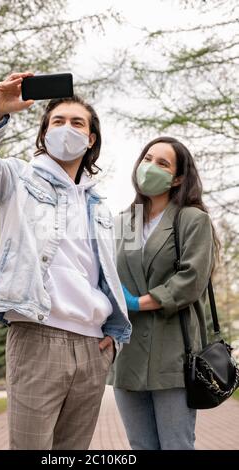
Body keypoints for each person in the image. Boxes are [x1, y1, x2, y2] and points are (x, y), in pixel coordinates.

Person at [0, 71, 131, 450]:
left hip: (92, 348)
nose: (66, 128)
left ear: (91, 139)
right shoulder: (17, 178)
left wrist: (113, 340)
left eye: (76, 122)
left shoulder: (99, 204)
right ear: (44, 133)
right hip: (38, 337)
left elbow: (105, 276)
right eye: (57, 121)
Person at [109, 136, 219, 450]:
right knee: (141, 445)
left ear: (178, 178)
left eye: (162, 163)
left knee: (176, 445)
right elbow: (117, 275)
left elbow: (191, 279)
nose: (150, 167)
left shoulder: (191, 219)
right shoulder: (125, 223)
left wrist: (138, 303)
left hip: (173, 354)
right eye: (147, 158)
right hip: (128, 357)